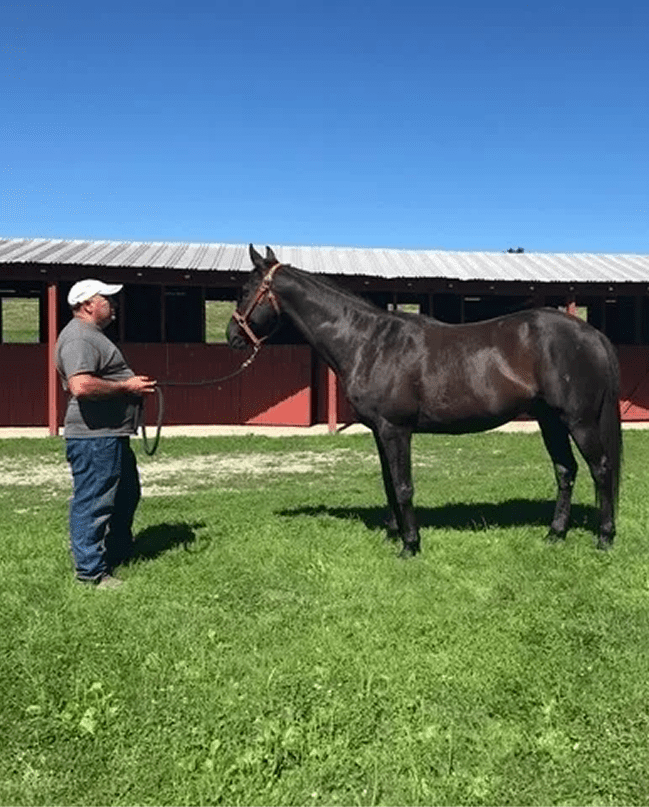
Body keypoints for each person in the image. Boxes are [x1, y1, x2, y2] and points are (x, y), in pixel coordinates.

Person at [55, 279, 157, 588]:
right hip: (94, 437)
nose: (114, 305)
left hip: (110, 434)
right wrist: (127, 386)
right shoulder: (79, 338)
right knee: (94, 501)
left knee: (126, 494)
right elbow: (81, 386)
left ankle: (117, 552)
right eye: (107, 299)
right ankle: (91, 573)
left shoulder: (92, 336)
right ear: (87, 305)